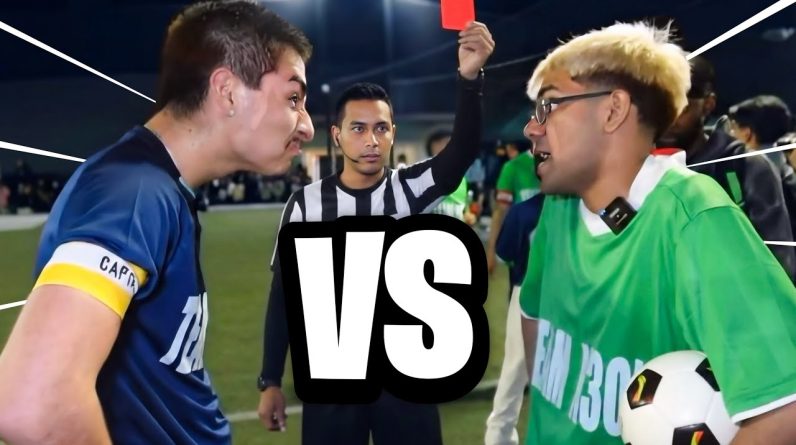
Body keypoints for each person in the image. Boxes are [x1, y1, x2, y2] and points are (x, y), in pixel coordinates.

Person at [0, 2, 314, 444]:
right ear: (227, 91)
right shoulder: (134, 190)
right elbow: (33, 403)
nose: (307, 126)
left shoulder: (161, 188)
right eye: (293, 99)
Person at [520, 22, 796, 445]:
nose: (531, 128)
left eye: (548, 106)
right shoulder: (558, 209)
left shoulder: (695, 218)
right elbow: (534, 319)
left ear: (612, 110)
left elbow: (784, 412)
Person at [256, 21, 494, 445]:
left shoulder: (410, 188)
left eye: (381, 128)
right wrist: (270, 378)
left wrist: (470, 78)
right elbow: (284, 296)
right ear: (337, 135)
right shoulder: (306, 205)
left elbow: (460, 153)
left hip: (404, 375)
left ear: (393, 134)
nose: (371, 140)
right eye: (358, 128)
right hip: (334, 376)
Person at [657, 57, 796, 279]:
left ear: (708, 104)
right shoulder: (634, 164)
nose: (669, 118)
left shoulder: (745, 167)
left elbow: (778, 262)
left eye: (682, 108)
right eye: (660, 106)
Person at [425, 129, 477, 224]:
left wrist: (468, 216)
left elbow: (465, 211)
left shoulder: (462, 179)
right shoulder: (424, 178)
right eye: (442, 145)